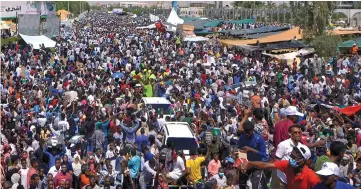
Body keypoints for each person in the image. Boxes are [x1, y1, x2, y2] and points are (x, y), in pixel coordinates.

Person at [242, 145, 321, 189]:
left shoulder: (312, 177)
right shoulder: (287, 165)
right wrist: (250, 163)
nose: (291, 159)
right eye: (291, 156)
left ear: (303, 161)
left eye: (294, 158)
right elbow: (265, 165)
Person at [237, 120, 268, 189]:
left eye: (249, 132)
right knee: (242, 185)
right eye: (245, 131)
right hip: (246, 164)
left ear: (252, 130)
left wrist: (251, 150)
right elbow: (239, 150)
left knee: (255, 185)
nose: (247, 134)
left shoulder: (259, 139)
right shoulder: (242, 137)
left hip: (257, 165)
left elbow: (264, 155)